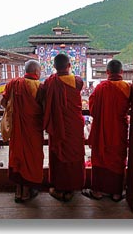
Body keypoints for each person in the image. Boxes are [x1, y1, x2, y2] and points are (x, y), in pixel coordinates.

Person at [82, 59, 131, 202]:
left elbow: (92, 110)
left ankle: (97, 191)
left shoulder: (100, 88)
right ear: (121, 72)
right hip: (119, 131)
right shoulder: (128, 87)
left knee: (100, 158)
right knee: (118, 159)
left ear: (107, 72)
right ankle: (116, 193)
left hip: (102, 131)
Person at [1, 59, 44, 203]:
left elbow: (3, 102)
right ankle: (26, 193)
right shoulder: (40, 87)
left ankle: (18, 192)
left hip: (17, 130)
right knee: (31, 160)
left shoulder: (13, 83)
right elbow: (44, 108)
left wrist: (15, 111)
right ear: (37, 72)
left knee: (17, 157)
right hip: (33, 132)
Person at [43, 53, 85, 202]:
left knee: (58, 157)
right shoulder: (77, 81)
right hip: (74, 126)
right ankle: (72, 188)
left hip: (57, 127)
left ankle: (59, 189)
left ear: (54, 67)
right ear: (69, 66)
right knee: (74, 155)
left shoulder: (49, 82)